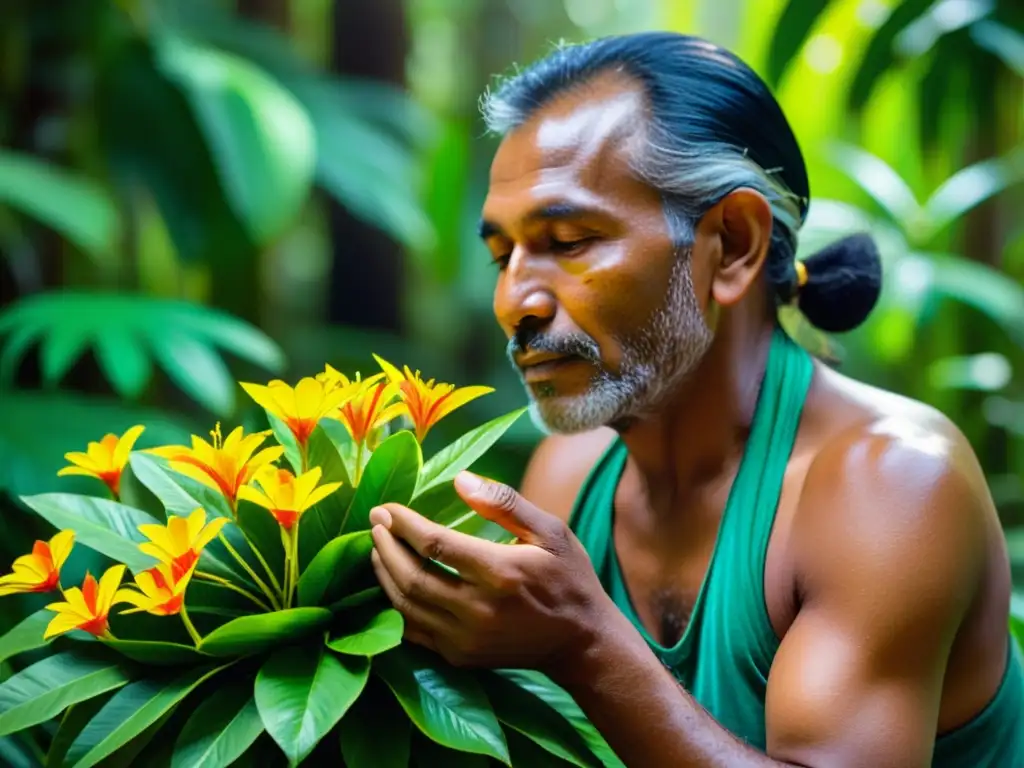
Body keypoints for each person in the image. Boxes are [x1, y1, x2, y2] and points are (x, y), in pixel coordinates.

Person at [368, 31, 1024, 767]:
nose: (513, 300)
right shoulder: (569, 475)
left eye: (570, 239)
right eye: (503, 255)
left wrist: (585, 643)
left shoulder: (891, 483)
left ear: (734, 244)